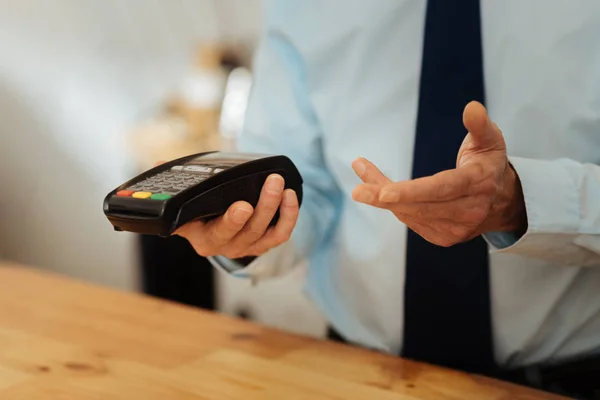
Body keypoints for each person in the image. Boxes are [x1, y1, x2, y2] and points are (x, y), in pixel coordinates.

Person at [175, 1, 600, 397]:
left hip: (567, 381)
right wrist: (247, 229)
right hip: (358, 374)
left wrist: (524, 202)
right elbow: (300, 182)